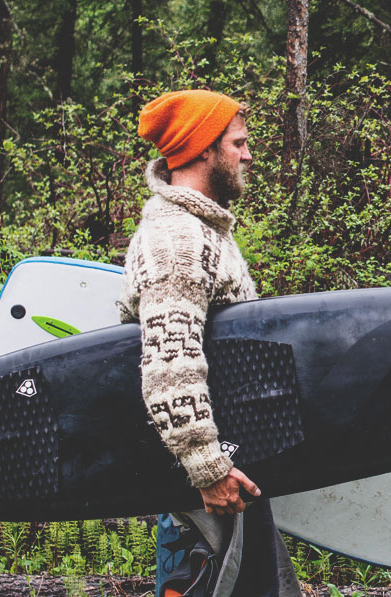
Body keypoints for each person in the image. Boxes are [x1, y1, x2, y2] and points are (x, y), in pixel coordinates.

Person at [120, 89, 300, 597]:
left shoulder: (200, 228)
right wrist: (207, 466)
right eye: (238, 143)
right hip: (203, 486)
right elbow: (168, 361)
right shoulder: (177, 239)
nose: (248, 155)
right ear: (203, 149)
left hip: (223, 468)